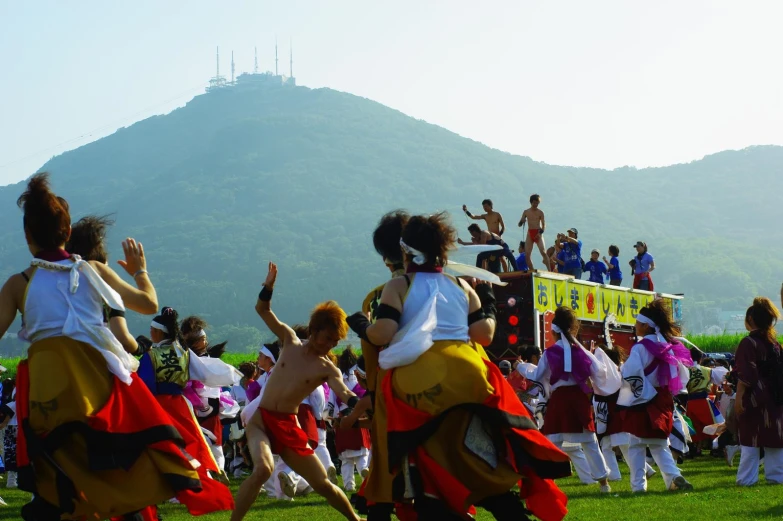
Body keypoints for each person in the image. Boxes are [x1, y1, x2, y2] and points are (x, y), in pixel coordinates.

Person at [0, 173, 203, 520]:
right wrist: (140, 271)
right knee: (122, 472)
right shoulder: (94, 270)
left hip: (50, 400)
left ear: (27, 235)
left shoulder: (19, 284)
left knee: (63, 489)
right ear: (67, 234)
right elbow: (149, 303)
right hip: (99, 396)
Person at [347, 212, 571, 521]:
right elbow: (485, 334)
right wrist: (488, 299)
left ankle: (402, 493)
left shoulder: (396, 287)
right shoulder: (461, 286)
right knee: (481, 456)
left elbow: (383, 334)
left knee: (413, 450)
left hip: (420, 383)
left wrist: (362, 327)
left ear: (403, 251)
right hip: (471, 376)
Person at [231, 262, 362, 521]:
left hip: (289, 426)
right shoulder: (289, 341)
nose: (330, 345)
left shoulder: (327, 368)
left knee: (323, 482)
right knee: (263, 470)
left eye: (335, 342)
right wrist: (268, 287)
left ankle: (356, 519)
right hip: (261, 420)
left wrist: (359, 402)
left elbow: (345, 392)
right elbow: (262, 310)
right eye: (327, 339)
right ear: (313, 331)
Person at [137, 306, 238, 516]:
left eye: (152, 330)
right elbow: (204, 371)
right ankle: (194, 482)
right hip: (181, 404)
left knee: (161, 445)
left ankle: (171, 487)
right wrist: (230, 375)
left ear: (158, 332)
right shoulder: (183, 353)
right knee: (188, 442)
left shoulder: (150, 355)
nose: (150, 333)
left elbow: (144, 384)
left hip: (158, 405)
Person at [529, 307, 618, 493]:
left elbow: (538, 375)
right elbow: (599, 372)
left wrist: (523, 368)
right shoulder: (582, 352)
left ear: (553, 332)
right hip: (579, 399)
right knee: (590, 441)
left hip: (560, 399)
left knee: (552, 440)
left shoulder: (550, 353)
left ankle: (547, 481)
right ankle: (604, 484)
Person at [618, 300, 694, 492]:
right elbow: (682, 375)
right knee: (660, 444)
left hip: (642, 398)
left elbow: (630, 373)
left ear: (645, 325)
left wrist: (634, 393)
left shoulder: (640, 348)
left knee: (636, 444)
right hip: (662, 399)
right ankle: (674, 478)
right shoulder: (668, 346)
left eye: (637, 322)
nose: (635, 326)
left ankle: (638, 487)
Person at [734, 297, 783, 486]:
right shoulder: (774, 343)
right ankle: (776, 478)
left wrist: (739, 399)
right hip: (776, 396)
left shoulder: (748, 342)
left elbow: (746, 374)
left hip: (755, 397)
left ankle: (747, 480)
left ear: (751, 319)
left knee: (750, 440)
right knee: (775, 439)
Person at [518, 194, 548, 271]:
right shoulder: (526, 212)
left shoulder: (540, 212)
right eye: (534, 202)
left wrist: (540, 233)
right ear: (531, 202)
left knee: (543, 252)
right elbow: (519, 224)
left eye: (537, 203)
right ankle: (532, 271)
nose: (536, 204)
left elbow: (544, 225)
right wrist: (522, 221)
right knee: (527, 255)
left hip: (538, 232)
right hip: (530, 233)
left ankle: (549, 270)